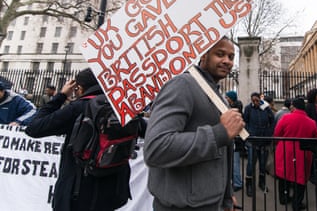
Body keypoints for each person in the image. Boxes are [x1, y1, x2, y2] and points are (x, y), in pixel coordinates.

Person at [143, 37, 245, 211]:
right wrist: (219, 133)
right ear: (204, 55)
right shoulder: (182, 85)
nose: (227, 61)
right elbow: (156, 147)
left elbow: (222, 154)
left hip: (213, 203)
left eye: (231, 56)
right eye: (220, 54)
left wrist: (226, 197)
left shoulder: (218, 96)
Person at [25, 68, 132, 211]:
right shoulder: (122, 108)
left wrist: (61, 96)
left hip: (77, 191)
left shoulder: (79, 107)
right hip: (112, 190)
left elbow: (33, 127)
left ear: (80, 88)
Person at [273, 97, 317, 211]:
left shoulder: (285, 118)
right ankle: (297, 203)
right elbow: (316, 138)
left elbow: (277, 134)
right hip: (303, 153)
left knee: (284, 176)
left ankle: (283, 198)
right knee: (300, 178)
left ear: (294, 106)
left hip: (285, 151)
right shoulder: (311, 122)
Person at [243, 91, 275, 196]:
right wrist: (249, 133)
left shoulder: (266, 108)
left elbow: (272, 121)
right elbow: (245, 121)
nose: (255, 102)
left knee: (262, 164)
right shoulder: (248, 108)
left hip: (264, 140)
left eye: (257, 100)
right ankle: (249, 185)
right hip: (253, 140)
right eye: (253, 101)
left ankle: (262, 183)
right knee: (251, 163)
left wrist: (268, 133)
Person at [225, 90, 244, 192]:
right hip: (235, 140)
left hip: (235, 140)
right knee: (233, 162)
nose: (226, 98)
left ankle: (237, 182)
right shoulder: (236, 108)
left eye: (227, 97)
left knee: (235, 163)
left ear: (231, 99)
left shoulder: (234, 109)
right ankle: (235, 181)